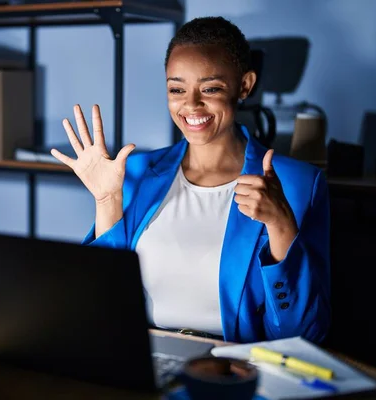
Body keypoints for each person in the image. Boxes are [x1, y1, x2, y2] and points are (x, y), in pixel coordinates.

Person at [50, 16, 330, 344]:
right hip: (141, 358)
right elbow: (100, 303)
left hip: (233, 371)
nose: (191, 104)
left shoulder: (298, 184)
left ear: (245, 85)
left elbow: (304, 336)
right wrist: (106, 201)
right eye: (177, 89)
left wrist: (281, 227)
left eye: (210, 88)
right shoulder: (134, 172)